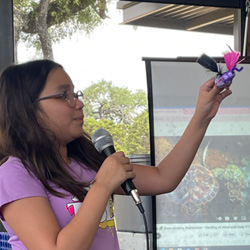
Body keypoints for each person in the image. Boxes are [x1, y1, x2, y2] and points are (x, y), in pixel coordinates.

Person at [0, 59, 232, 250]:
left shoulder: (85, 161)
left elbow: (164, 177)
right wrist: (102, 186)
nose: (79, 103)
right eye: (64, 95)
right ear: (27, 108)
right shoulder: (14, 173)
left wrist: (202, 116)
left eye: (76, 93)